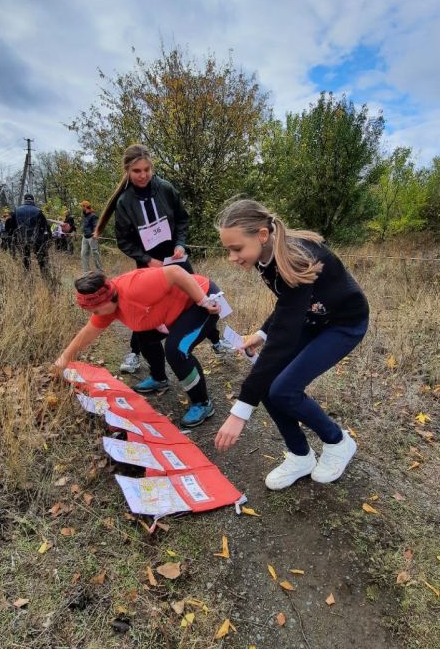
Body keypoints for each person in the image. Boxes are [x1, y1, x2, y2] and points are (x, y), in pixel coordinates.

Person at [213, 199, 369, 489]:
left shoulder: (297, 258)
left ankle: (338, 442)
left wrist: (241, 410)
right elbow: (289, 306)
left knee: (283, 389)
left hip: (344, 325)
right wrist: (262, 334)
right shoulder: (265, 256)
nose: (232, 257)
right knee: (271, 384)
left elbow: (286, 334)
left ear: (261, 234)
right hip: (313, 319)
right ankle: (300, 455)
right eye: (228, 250)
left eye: (236, 249)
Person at [94, 144, 233, 379]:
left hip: (176, 259)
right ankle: (134, 353)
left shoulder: (165, 188)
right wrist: (147, 259)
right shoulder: (125, 202)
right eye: (137, 171)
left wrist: (180, 243)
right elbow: (124, 241)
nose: (143, 175)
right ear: (127, 171)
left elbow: (181, 219)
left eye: (147, 169)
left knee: (197, 299)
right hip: (149, 266)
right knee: (145, 312)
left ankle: (216, 341)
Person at [54, 266, 221, 427]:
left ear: (105, 299)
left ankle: (202, 402)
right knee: (144, 335)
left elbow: (175, 272)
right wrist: (63, 360)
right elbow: (87, 333)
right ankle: (159, 379)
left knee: (176, 350)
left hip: (201, 298)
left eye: (95, 310)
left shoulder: (134, 287)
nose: (94, 314)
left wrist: (203, 300)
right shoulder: (108, 307)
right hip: (174, 311)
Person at [14, 193, 51, 275]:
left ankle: (27, 277)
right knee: (42, 259)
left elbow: (13, 226)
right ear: (33, 200)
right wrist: (46, 238)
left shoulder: (17, 210)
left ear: (24, 200)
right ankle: (46, 277)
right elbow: (45, 226)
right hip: (37, 238)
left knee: (25, 258)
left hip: (22, 238)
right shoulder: (38, 211)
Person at [80, 201, 103, 272]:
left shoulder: (93, 215)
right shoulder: (84, 215)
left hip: (92, 237)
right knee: (83, 254)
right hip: (85, 237)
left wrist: (95, 234)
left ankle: (99, 270)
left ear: (85, 207)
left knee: (95, 253)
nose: (81, 208)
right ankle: (86, 271)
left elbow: (96, 226)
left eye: (82, 207)